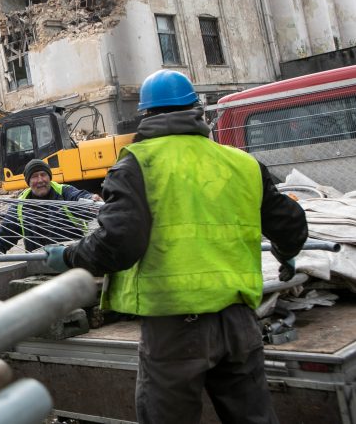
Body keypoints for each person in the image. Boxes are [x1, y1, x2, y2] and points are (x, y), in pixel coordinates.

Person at [41, 69, 308, 423]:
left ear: (146, 114)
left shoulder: (139, 163)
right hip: (239, 321)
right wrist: (286, 253)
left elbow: (120, 244)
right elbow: (290, 223)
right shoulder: (242, 163)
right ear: (196, 110)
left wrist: (70, 257)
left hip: (176, 328)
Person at [0, 159, 102, 270]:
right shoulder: (20, 206)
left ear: (49, 177)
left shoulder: (64, 192)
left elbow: (79, 198)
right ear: (28, 181)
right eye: (34, 176)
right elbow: (2, 238)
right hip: (39, 268)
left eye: (43, 175)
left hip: (72, 265)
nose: (40, 180)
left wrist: (91, 200)